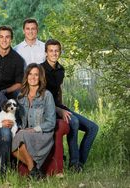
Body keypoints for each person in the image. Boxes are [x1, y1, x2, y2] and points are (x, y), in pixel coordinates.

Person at [41, 39, 99, 172]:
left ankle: (79, 163)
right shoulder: (41, 70)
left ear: (60, 52)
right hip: (47, 109)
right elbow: (41, 97)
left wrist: (62, 106)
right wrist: (59, 111)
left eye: (57, 51)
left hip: (59, 107)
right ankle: (74, 164)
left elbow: (58, 89)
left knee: (93, 128)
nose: (54, 53)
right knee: (74, 122)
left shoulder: (61, 69)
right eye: (51, 51)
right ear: (46, 53)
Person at [12, 63, 56, 178]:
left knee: (21, 136)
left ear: (40, 77)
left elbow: (51, 122)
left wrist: (34, 129)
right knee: (10, 143)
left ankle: (33, 171)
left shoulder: (47, 95)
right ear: (26, 76)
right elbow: (16, 119)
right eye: (30, 74)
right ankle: (34, 170)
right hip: (25, 132)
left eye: (36, 75)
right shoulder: (20, 96)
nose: (33, 77)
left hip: (42, 133)